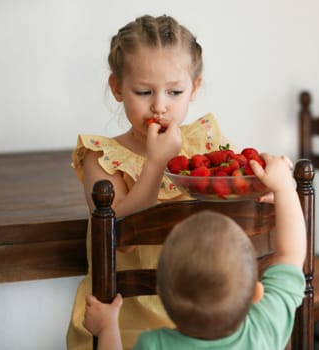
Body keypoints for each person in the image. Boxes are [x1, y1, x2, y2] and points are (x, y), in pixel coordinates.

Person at [67, 14, 228, 350]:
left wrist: (267, 192)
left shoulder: (204, 146)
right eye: (143, 91)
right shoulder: (102, 157)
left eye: (175, 91)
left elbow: (233, 201)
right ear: (117, 88)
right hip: (123, 324)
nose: (159, 106)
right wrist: (156, 162)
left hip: (197, 319)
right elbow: (119, 235)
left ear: (195, 89)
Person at [83, 154, 307, 349]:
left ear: (161, 292)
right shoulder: (264, 327)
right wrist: (284, 188)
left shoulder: (155, 345)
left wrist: (107, 328)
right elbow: (291, 254)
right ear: (256, 293)